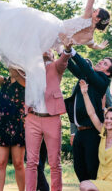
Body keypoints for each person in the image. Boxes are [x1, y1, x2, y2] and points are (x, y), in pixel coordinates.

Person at [0, 0, 112, 110]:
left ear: (97, 19)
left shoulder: (87, 20)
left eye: (96, 11)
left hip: (53, 33)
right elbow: (92, 44)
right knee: (27, 27)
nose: (93, 10)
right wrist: (99, 46)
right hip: (54, 37)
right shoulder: (89, 35)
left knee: (26, 24)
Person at [25, 35, 72, 191]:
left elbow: (64, 60)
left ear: (53, 55)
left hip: (52, 119)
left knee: (54, 162)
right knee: (31, 162)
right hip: (32, 118)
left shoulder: (56, 67)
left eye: (49, 49)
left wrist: (67, 49)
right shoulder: (31, 67)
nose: (46, 50)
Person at [64, 48, 112, 182]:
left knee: (92, 170)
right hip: (79, 132)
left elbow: (86, 69)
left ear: (108, 72)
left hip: (92, 132)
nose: (101, 62)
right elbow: (73, 67)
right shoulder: (89, 77)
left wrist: (73, 51)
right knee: (79, 169)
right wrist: (63, 52)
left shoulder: (102, 81)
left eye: (105, 64)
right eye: (102, 61)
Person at [0, 58, 26, 191]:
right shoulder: (4, 81)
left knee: (18, 163)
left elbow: (20, 76)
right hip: (1, 126)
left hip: (18, 126)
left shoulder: (24, 81)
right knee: (0, 163)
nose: (10, 67)